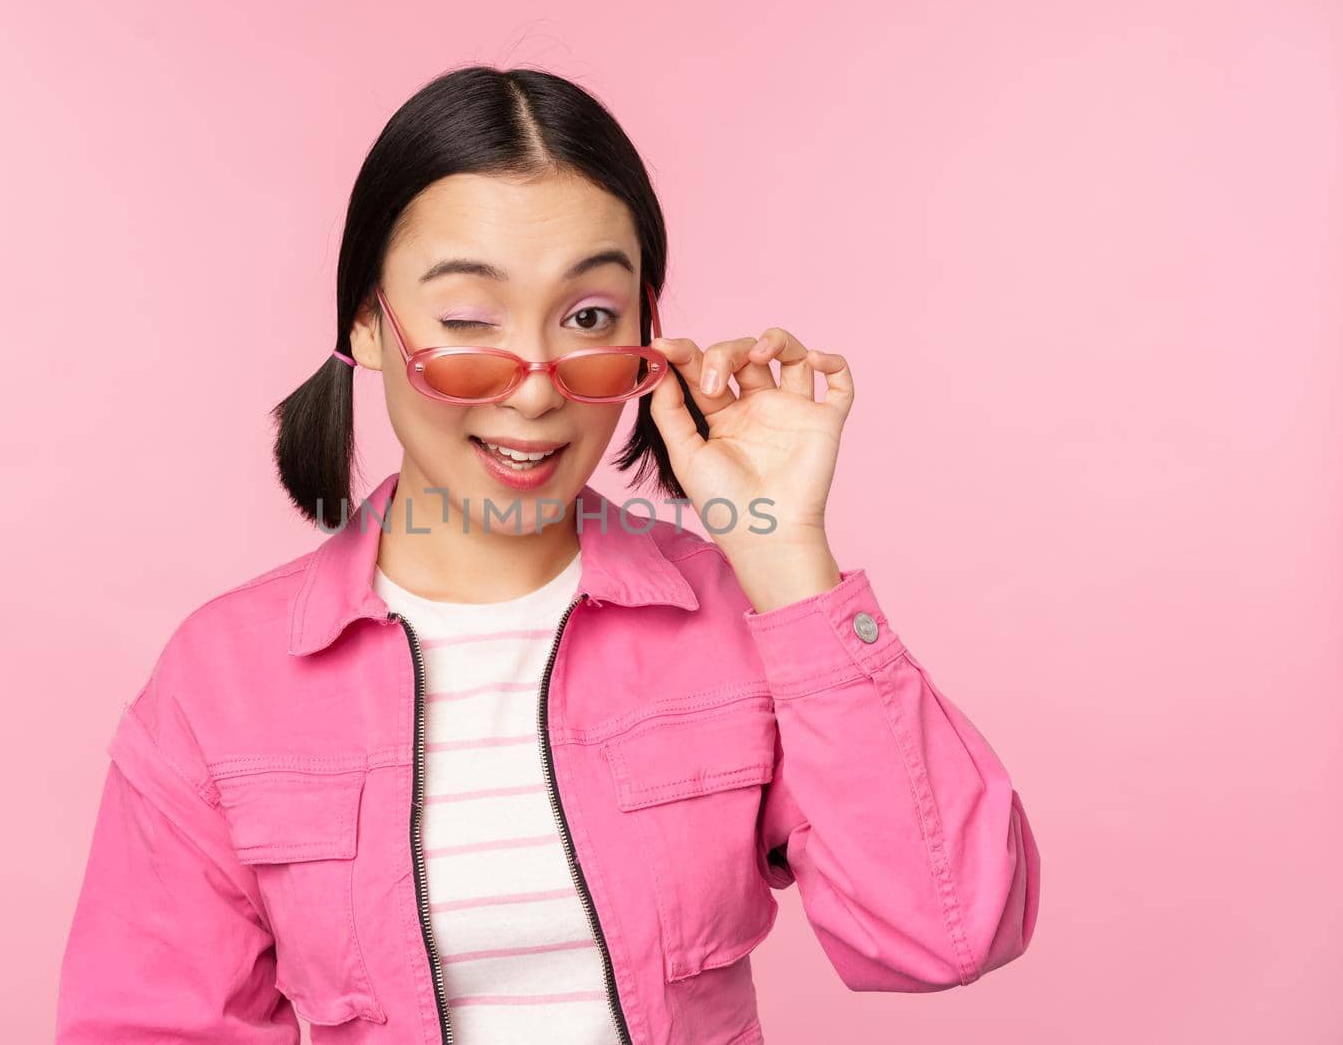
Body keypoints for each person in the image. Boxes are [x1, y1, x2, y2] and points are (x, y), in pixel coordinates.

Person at [55, 64, 1040, 1045]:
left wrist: (783, 555)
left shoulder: (736, 619)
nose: (534, 390)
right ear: (367, 319)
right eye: (469, 322)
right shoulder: (221, 679)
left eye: (587, 319)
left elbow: (945, 930)